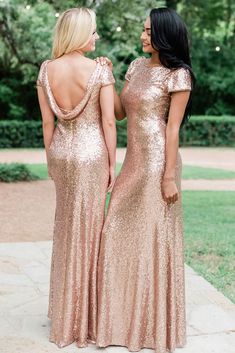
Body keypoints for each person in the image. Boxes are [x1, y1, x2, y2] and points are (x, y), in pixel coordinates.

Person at [96, 7, 195, 353]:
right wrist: (107, 76)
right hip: (133, 161)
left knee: (152, 240)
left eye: (148, 31)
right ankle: (118, 318)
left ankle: (151, 327)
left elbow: (172, 129)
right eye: (142, 29)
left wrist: (169, 176)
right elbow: (122, 113)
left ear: (164, 35)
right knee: (114, 230)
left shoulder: (178, 75)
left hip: (157, 164)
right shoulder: (136, 67)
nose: (142, 36)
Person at [36, 7, 116, 348]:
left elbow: (47, 124)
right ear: (80, 33)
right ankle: (87, 317)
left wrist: (51, 160)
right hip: (92, 155)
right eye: (93, 31)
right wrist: (113, 164)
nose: (96, 37)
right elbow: (109, 122)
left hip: (62, 153)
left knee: (66, 228)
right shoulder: (99, 71)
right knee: (91, 232)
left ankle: (65, 311)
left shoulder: (46, 69)